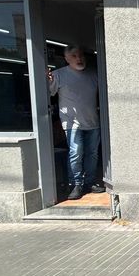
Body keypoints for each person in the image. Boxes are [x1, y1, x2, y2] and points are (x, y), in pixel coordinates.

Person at [48, 45, 105, 200]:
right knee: (76, 152)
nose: (79, 59)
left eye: (80, 55)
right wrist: (46, 80)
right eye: (74, 56)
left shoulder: (94, 74)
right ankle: (75, 184)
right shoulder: (58, 75)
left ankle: (89, 183)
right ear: (66, 59)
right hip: (71, 123)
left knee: (92, 154)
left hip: (92, 121)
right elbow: (47, 92)